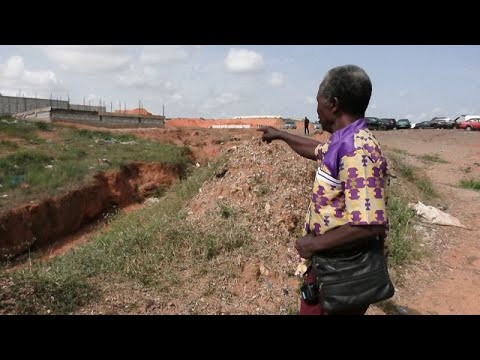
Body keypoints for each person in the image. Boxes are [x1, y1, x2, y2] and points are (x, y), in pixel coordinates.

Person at [257, 65, 390, 315]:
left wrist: (313, 245)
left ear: (333, 104)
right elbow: (315, 150)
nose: (315, 110)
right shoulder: (342, 140)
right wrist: (281, 136)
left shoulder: (356, 150)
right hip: (330, 265)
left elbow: (370, 224)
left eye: (318, 102)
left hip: (343, 272)